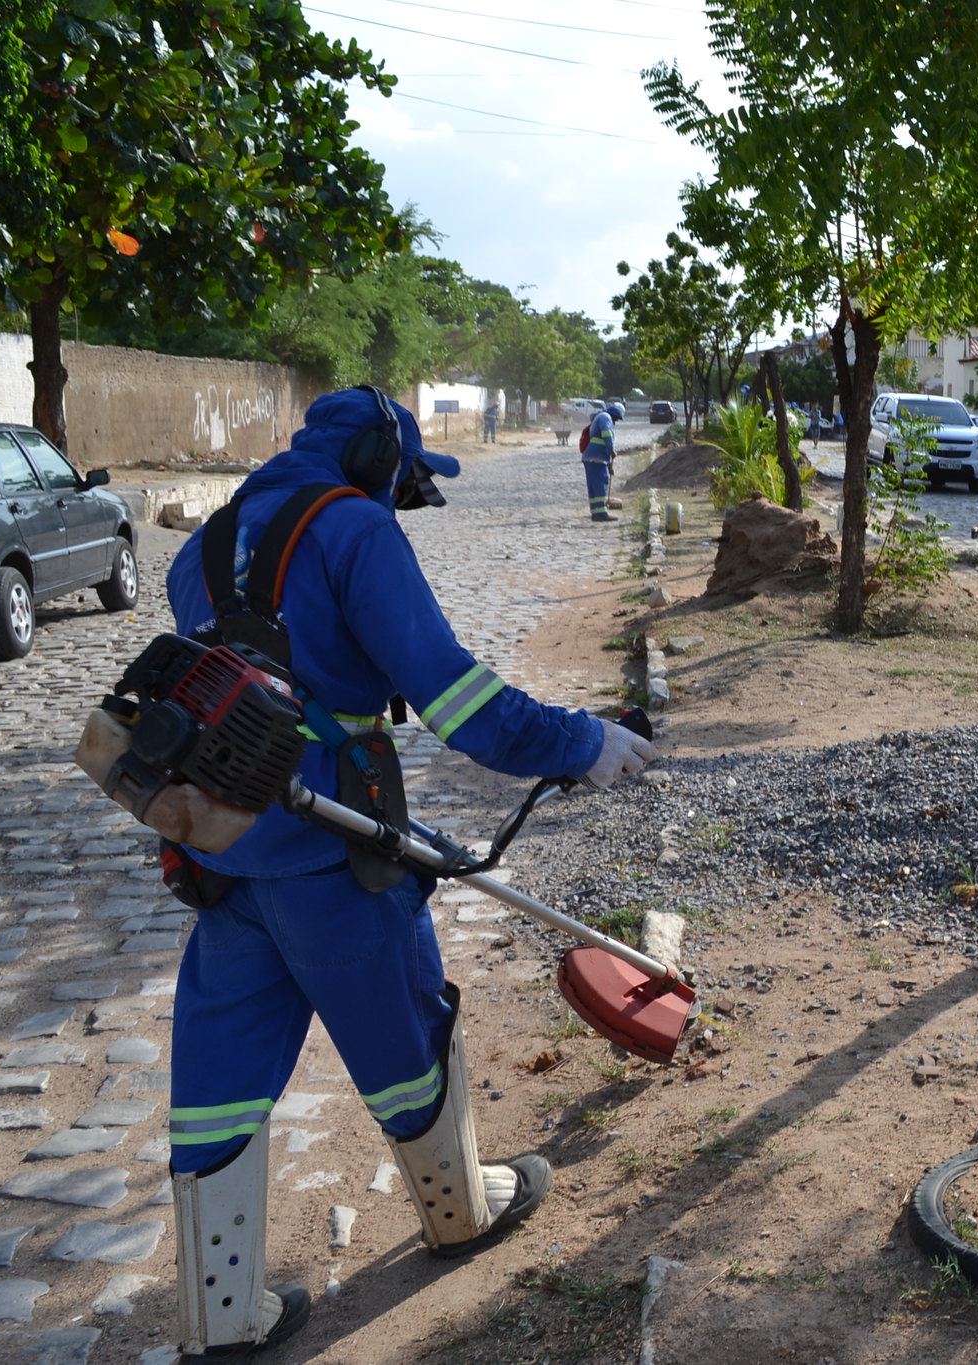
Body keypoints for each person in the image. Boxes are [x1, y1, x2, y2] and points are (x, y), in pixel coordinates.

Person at [159, 387, 657, 1357]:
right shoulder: (353, 531)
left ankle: (219, 1315)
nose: (402, 506)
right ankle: (460, 1209)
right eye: (405, 487)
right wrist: (578, 743)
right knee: (402, 1032)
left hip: (219, 855)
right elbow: (457, 698)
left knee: (217, 1077)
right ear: (381, 459)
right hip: (337, 853)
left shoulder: (200, 550)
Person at [583, 401, 625, 520]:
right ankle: (601, 513)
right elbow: (606, 435)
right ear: (615, 414)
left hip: (592, 457)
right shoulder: (606, 418)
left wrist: (609, 465)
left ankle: (596, 512)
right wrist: (612, 450)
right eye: (617, 418)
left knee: (593, 485)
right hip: (597, 458)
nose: (617, 421)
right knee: (600, 483)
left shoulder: (601, 417)